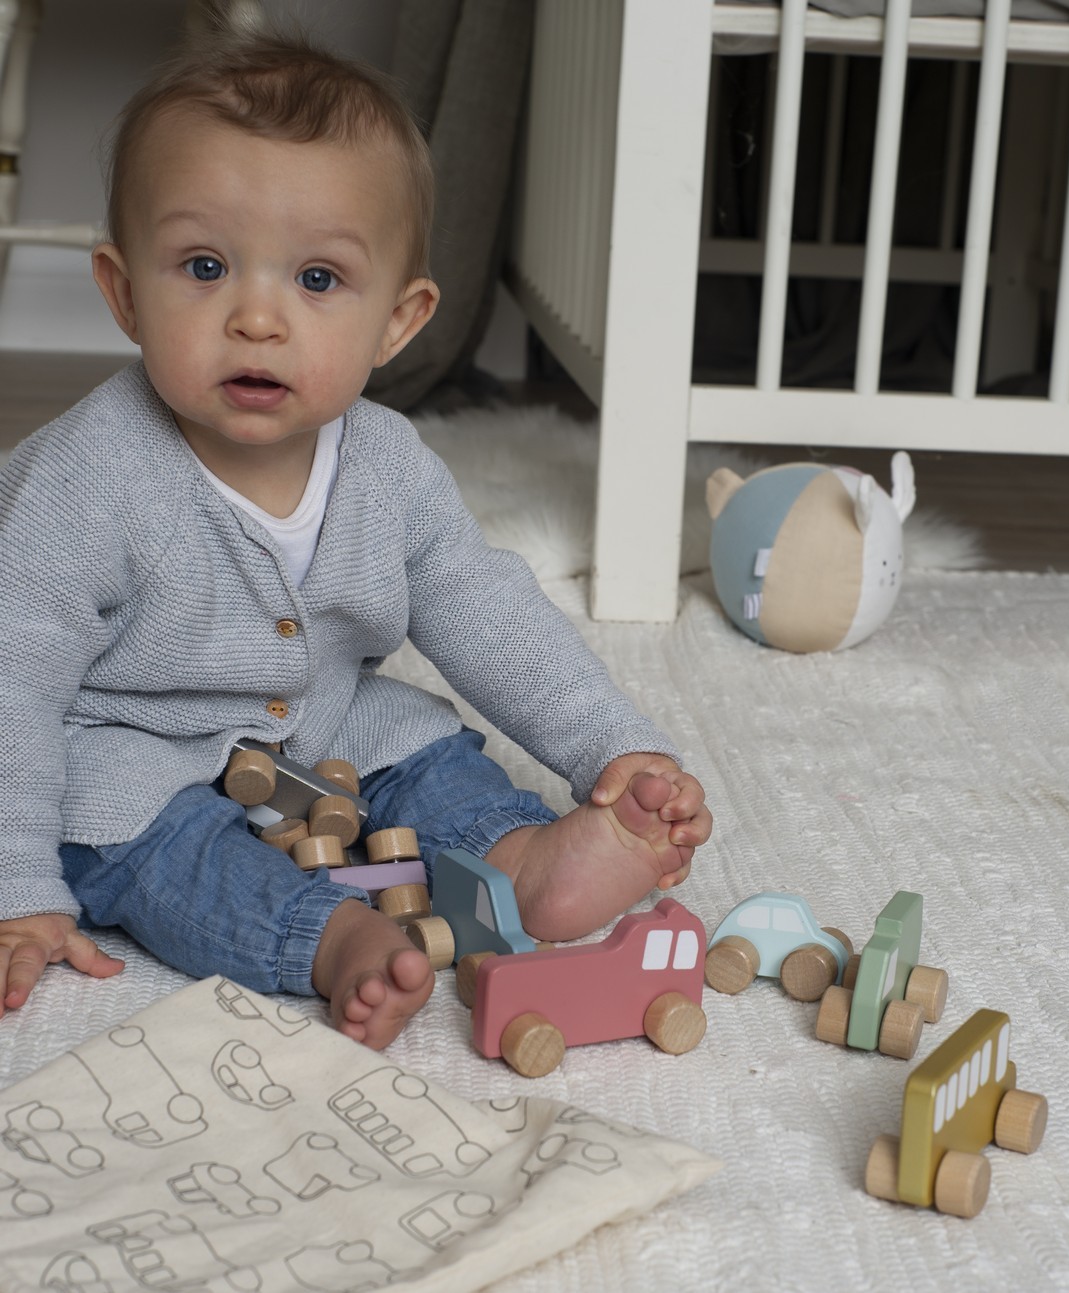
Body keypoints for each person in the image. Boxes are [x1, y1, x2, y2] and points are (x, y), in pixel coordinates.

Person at [0, 28, 711, 1050]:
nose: (257, 318)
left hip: (323, 725)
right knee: (154, 852)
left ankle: (523, 862)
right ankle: (331, 941)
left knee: (426, 749)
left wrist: (612, 743)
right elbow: (13, 682)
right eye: (205, 266)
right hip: (131, 746)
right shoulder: (86, 478)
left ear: (398, 321)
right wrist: (19, 887)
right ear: (123, 293)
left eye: (319, 280)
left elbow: (487, 611)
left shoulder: (388, 466)